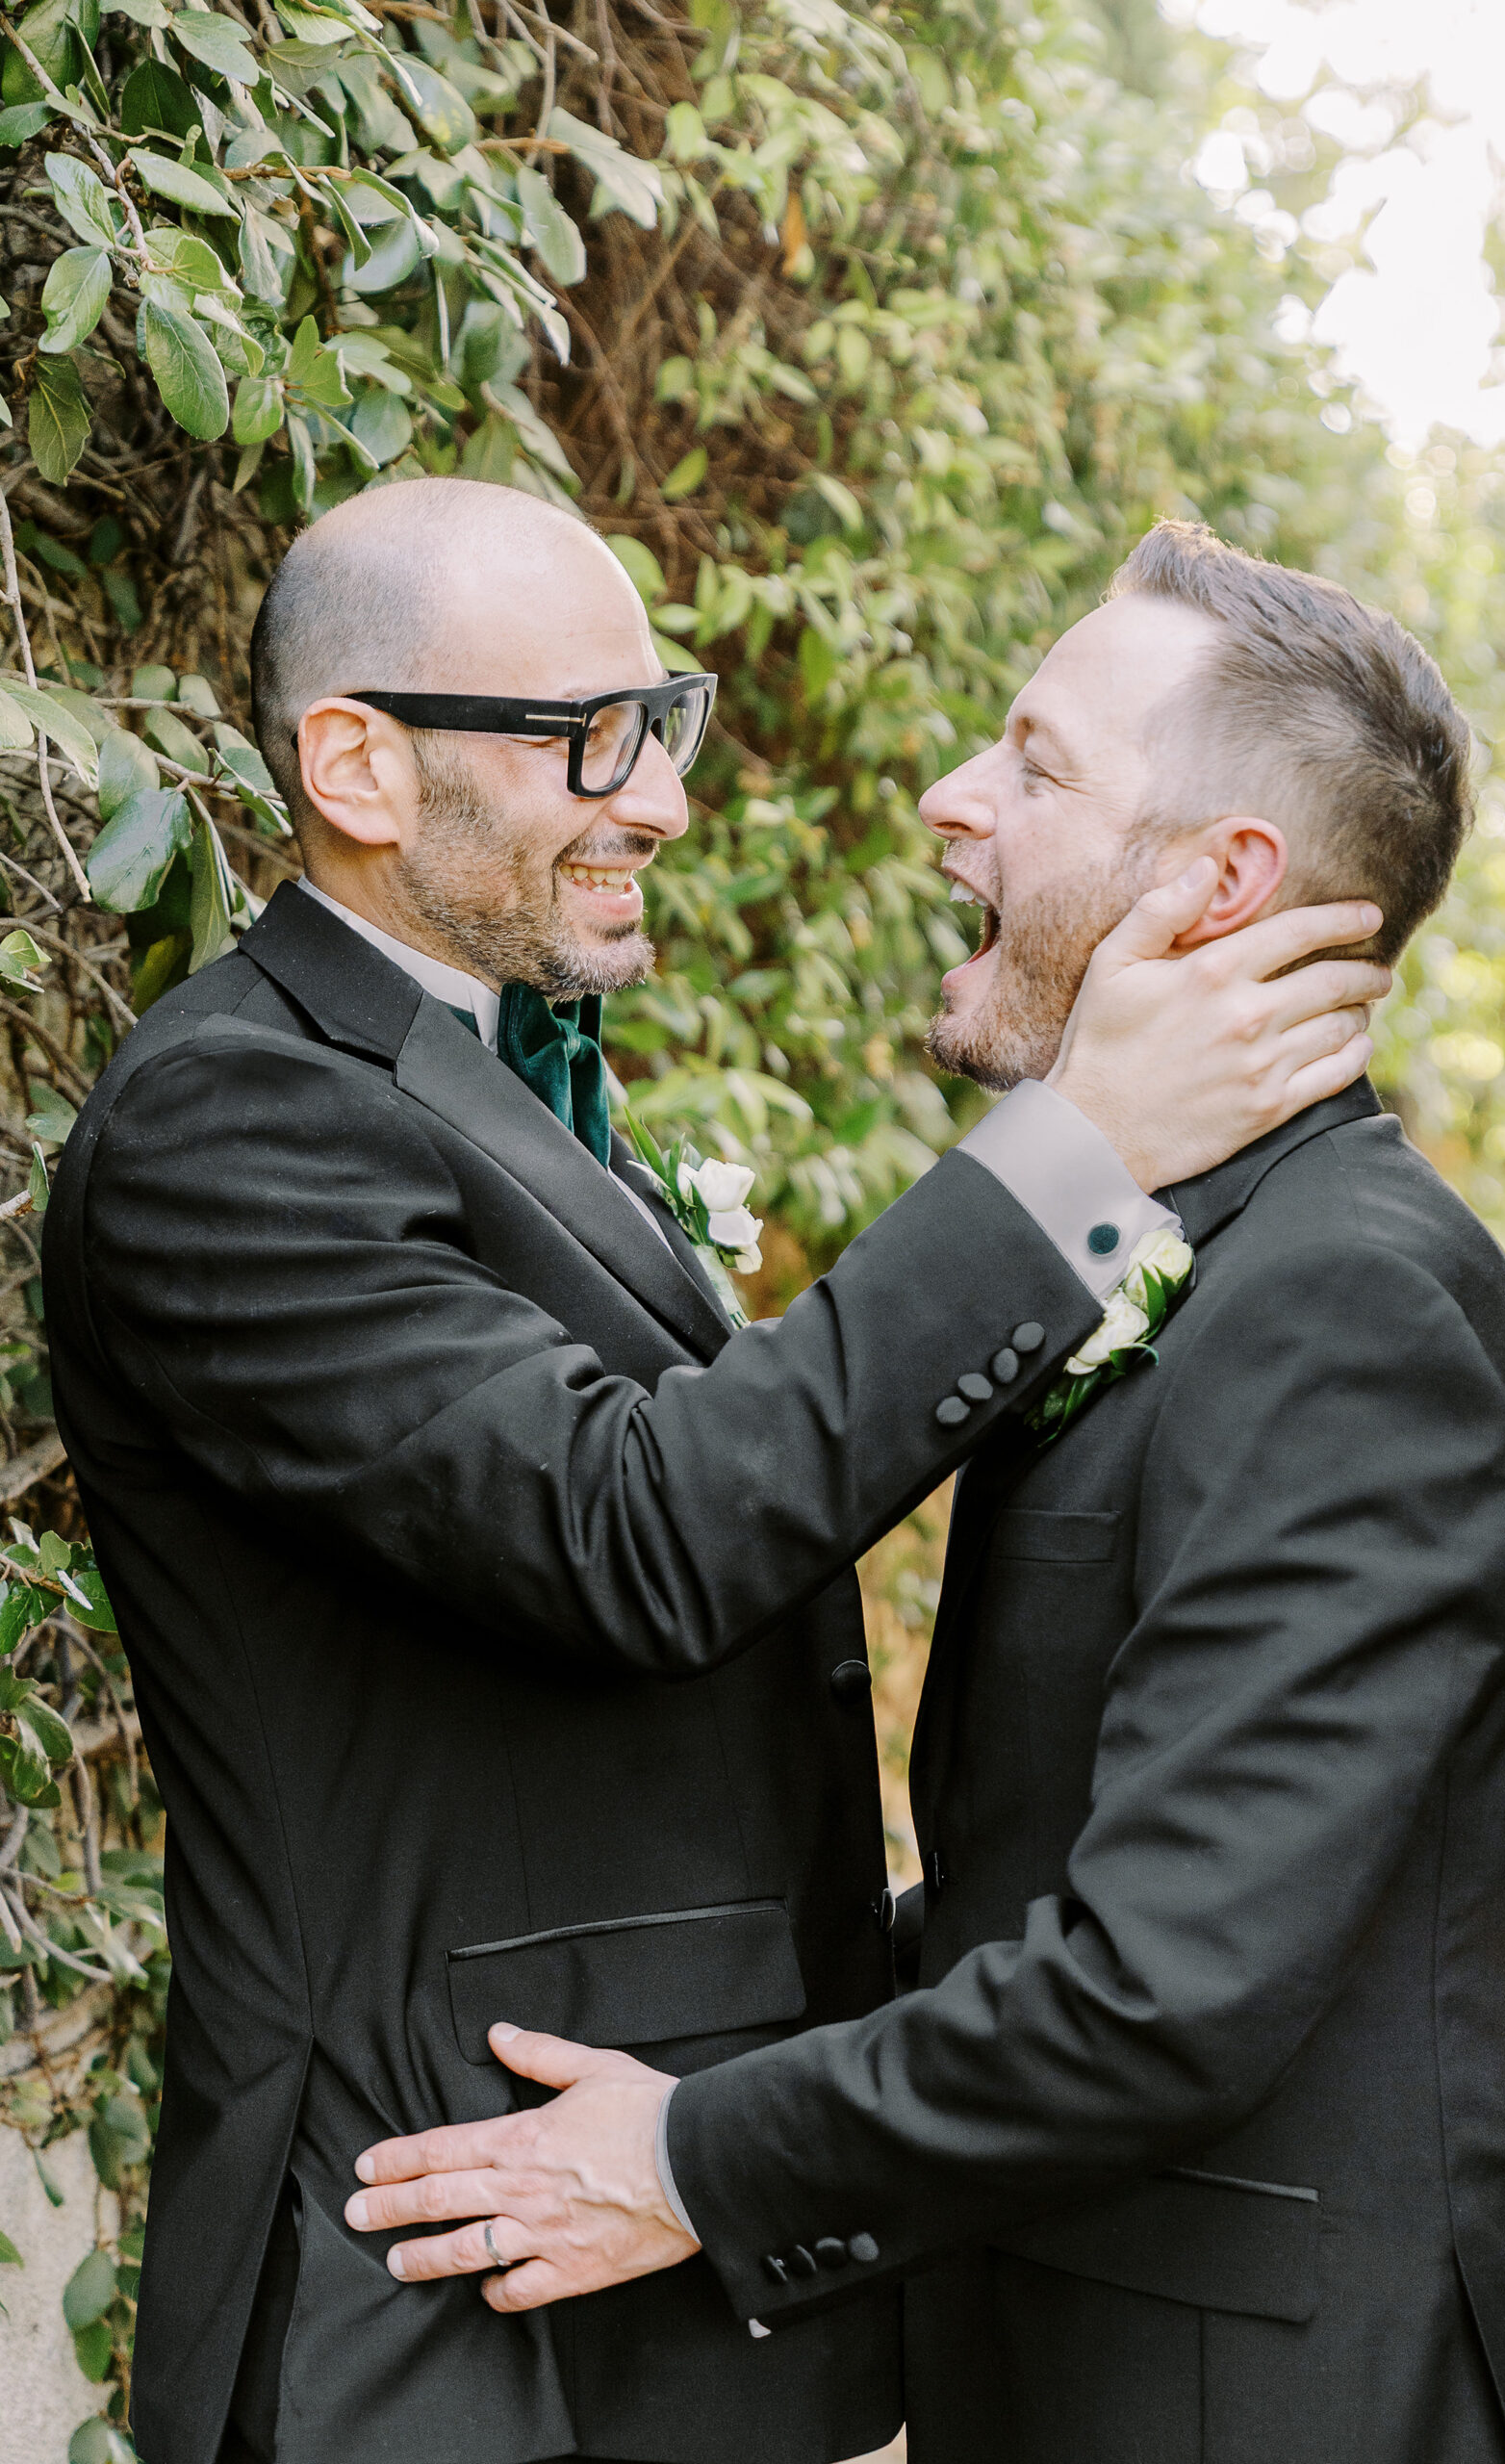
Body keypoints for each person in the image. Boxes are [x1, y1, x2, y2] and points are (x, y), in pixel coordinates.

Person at [42, 483, 1383, 2464]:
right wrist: (1074, 1153)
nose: (661, 796)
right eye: (591, 736)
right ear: (357, 766)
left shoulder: (485, 1081)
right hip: (427, 2298)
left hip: (628, 2270)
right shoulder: (226, 1121)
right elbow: (631, 1531)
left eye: (659, 719)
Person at [348, 522, 1505, 2464]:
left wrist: (687, 2155)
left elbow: (1158, 1985)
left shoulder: (1353, 1305)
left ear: (1220, 882)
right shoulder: (1179, 1261)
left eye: (1032, 764)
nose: (951, 801)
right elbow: (1066, 1873)